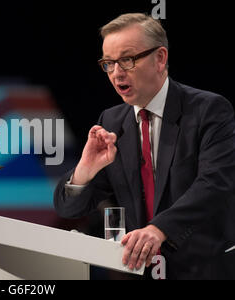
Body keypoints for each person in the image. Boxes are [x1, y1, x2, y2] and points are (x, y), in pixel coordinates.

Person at [53, 13, 235, 279]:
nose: (116, 73)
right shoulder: (112, 121)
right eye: (109, 63)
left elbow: (215, 183)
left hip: (204, 268)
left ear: (160, 58)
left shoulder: (208, 110)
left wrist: (158, 229)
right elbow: (69, 209)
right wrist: (84, 170)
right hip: (138, 272)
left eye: (127, 60)